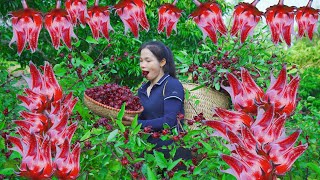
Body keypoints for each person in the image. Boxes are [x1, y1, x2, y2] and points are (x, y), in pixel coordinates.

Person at [123, 41, 191, 162]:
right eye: (141, 61)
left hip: (173, 152)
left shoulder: (171, 84)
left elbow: (169, 121)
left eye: (148, 61)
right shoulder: (142, 90)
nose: (143, 65)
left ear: (162, 62)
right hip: (150, 151)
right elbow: (143, 118)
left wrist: (135, 123)